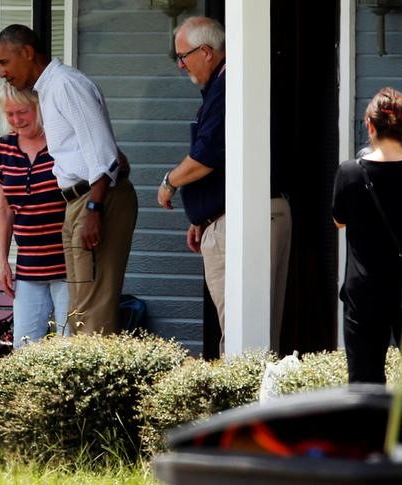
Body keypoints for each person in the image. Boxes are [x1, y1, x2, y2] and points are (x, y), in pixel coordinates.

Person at [156, 16, 292, 354]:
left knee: (243, 333)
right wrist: (202, 217)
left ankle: (246, 405)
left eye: (182, 56)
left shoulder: (229, 86)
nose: (180, 64)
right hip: (238, 217)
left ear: (205, 51)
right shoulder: (231, 84)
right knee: (252, 329)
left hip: (244, 220)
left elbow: (206, 157)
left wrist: (169, 182)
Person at [0, 24, 138, 335]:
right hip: (79, 199)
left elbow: (104, 157)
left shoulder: (65, 85)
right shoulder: (49, 89)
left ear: (27, 52)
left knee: (91, 310)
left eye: (4, 62)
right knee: (79, 310)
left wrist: (94, 211)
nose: (2, 73)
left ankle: (92, 383)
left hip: (95, 197)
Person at [333, 87, 402, 389]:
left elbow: (339, 221)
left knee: (365, 383)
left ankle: (372, 437)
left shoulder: (349, 173)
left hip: (364, 290)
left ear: (370, 125)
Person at [0, 83, 69, 346]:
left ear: (39, 107)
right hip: (28, 268)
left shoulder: (61, 144)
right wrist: (3, 261)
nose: (16, 120)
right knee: (24, 349)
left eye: (22, 112)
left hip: (68, 265)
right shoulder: (4, 148)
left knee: (68, 345)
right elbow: (4, 209)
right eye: (9, 114)